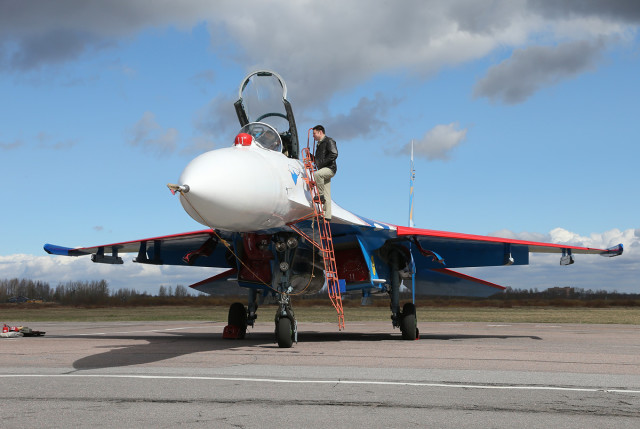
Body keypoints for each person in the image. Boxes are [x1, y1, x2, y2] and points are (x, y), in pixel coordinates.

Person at [312, 125, 338, 221]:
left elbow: (334, 154)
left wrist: (323, 163)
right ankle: (327, 215)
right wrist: (312, 157)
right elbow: (320, 159)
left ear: (320, 132)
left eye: (314, 133)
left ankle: (320, 195)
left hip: (329, 168)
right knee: (328, 193)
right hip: (324, 168)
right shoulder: (319, 144)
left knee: (317, 174)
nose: (313, 136)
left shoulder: (329, 141)